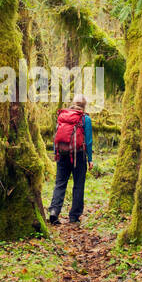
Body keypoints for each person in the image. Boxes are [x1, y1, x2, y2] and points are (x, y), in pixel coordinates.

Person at [47, 93, 93, 225]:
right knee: (78, 185)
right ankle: (74, 216)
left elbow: (57, 135)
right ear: (84, 106)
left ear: (73, 103)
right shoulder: (85, 119)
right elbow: (88, 141)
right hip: (78, 155)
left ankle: (54, 212)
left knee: (60, 183)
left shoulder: (62, 115)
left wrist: (56, 153)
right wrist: (90, 159)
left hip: (62, 153)